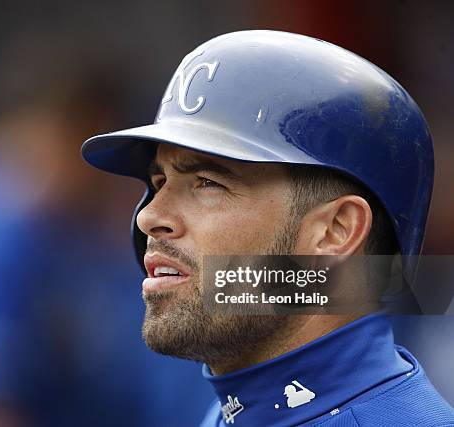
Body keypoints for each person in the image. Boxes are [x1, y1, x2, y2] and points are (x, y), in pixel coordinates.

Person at [81, 30, 454, 426]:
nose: (149, 216)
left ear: (335, 231)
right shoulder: (238, 409)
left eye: (207, 182)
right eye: (159, 183)